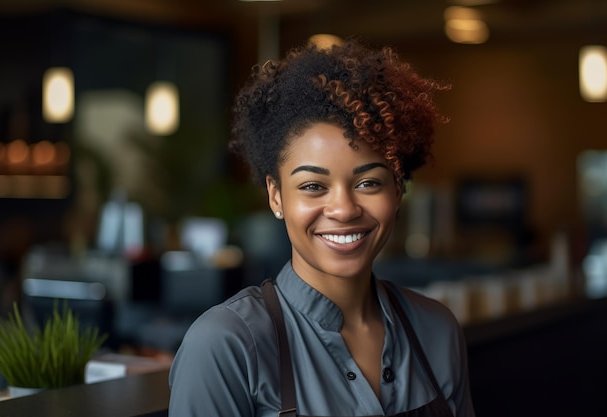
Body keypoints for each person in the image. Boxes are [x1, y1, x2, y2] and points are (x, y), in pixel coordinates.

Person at [168, 39, 476, 417]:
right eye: (313, 186)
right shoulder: (224, 345)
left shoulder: (437, 330)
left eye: (368, 183)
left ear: (398, 190)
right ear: (276, 196)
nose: (344, 209)